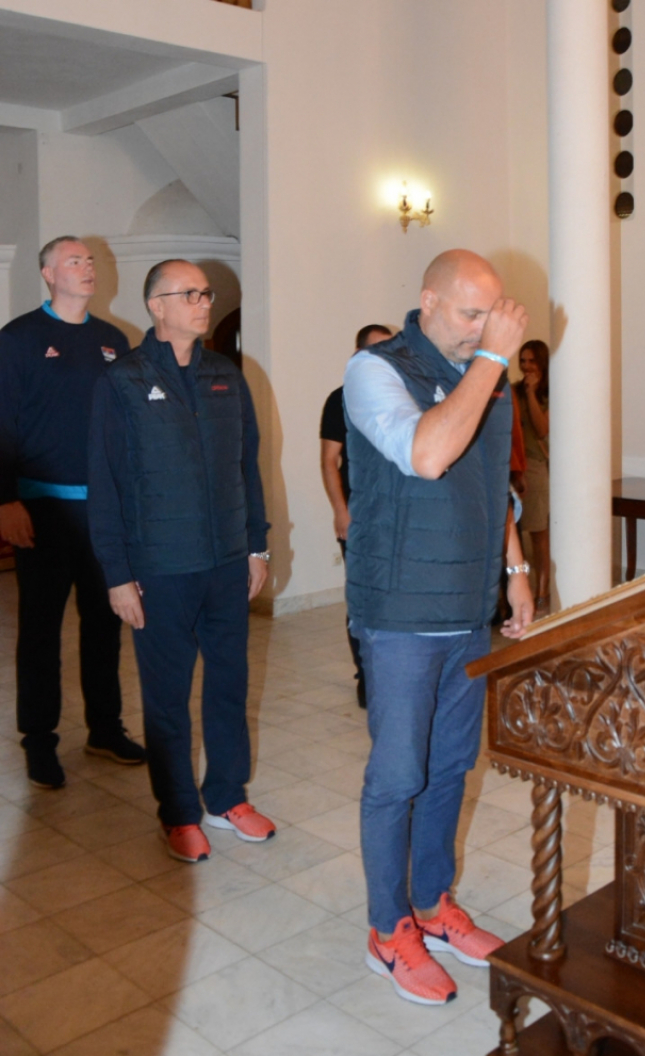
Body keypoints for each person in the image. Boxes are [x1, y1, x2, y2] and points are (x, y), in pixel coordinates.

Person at [343, 249, 533, 1005]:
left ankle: (431, 903)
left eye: (491, 315)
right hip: (400, 612)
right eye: (469, 312)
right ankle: (388, 929)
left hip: (467, 608)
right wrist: (491, 361)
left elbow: (493, 487)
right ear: (427, 300)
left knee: (451, 766)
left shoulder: (484, 374)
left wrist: (515, 569)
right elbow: (426, 454)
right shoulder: (374, 370)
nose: (482, 328)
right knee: (398, 775)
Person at [88, 259, 275, 864]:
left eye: (206, 293)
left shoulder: (226, 375)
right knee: (167, 697)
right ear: (156, 305)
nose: (203, 303)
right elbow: (105, 483)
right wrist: (118, 575)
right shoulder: (123, 380)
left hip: (226, 564)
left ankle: (226, 797)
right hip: (160, 568)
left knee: (229, 684)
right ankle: (177, 811)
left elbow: (247, 467)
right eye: (189, 294)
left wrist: (256, 546)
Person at [0, 236, 146, 789]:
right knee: (40, 630)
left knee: (104, 625)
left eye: (90, 261)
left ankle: (104, 729)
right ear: (47, 273)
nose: (86, 268)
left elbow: (128, 425)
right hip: (41, 509)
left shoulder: (113, 341)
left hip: (104, 511)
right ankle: (39, 740)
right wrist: (5, 499)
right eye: (73, 261)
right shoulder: (18, 338)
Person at [320, 324, 392, 708]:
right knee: (363, 598)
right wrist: (341, 512)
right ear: (359, 355)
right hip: (358, 516)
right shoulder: (340, 399)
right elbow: (329, 462)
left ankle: (391, 671)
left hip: (395, 515)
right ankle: (365, 674)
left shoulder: (400, 394)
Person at [515, 339, 551, 612]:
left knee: (539, 533)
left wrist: (531, 394)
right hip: (516, 466)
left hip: (536, 466)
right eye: (523, 361)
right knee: (516, 534)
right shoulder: (512, 391)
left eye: (532, 361)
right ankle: (520, 587)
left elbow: (541, 429)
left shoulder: (550, 393)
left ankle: (543, 589)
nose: (527, 366)